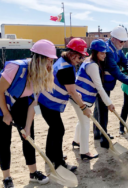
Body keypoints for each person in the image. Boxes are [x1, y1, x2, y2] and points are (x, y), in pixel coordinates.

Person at [0, 39, 56, 188]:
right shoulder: (16, 68)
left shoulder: (42, 74)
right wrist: (6, 113)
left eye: (52, 61)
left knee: (28, 137)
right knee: (4, 139)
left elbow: (33, 104)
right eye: (49, 61)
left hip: (21, 101)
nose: (51, 65)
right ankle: (7, 178)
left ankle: (33, 174)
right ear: (39, 59)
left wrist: (27, 127)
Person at [38, 38, 91, 172]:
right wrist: (84, 107)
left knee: (54, 129)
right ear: (72, 54)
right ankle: (59, 163)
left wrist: (74, 92)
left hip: (46, 101)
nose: (81, 60)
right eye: (80, 57)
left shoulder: (63, 62)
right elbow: (71, 91)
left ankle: (51, 156)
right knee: (59, 130)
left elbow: (70, 88)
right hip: (50, 103)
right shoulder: (66, 68)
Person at [93, 26, 128, 148]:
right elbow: (117, 73)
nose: (123, 43)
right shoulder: (108, 51)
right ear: (114, 39)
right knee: (103, 110)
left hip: (107, 84)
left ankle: (97, 132)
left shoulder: (117, 49)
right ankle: (104, 139)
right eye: (121, 41)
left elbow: (125, 61)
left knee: (99, 109)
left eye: (124, 41)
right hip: (102, 84)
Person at [71, 39, 115, 160]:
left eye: (105, 53)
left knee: (82, 120)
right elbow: (99, 88)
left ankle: (76, 141)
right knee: (85, 123)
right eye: (101, 53)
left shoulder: (88, 62)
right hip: (81, 99)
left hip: (78, 97)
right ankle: (84, 152)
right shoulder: (93, 66)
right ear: (95, 52)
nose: (104, 55)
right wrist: (109, 103)